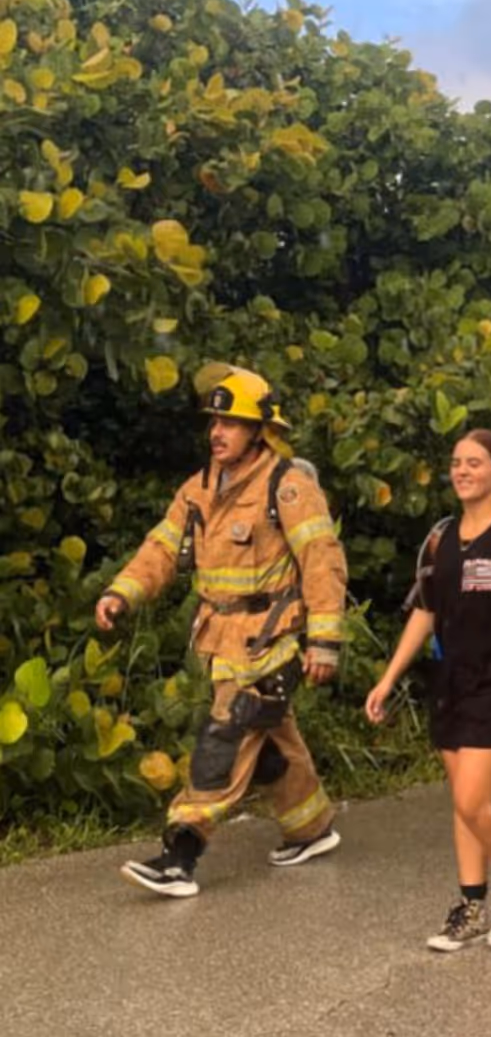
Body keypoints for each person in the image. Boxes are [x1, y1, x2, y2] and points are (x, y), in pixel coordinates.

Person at [100, 365, 347, 899]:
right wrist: (123, 592)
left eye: (230, 423)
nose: (217, 432)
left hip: (271, 641)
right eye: (214, 422)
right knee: (271, 744)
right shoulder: (199, 489)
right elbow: (161, 547)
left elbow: (322, 561)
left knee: (226, 736)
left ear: (259, 430)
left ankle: (180, 852)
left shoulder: (288, 486)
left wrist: (324, 641)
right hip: (222, 641)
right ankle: (310, 828)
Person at [367, 429, 491, 951]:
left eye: (474, 462)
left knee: (474, 800)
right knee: (464, 802)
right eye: (456, 462)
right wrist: (388, 677)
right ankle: (472, 904)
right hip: (449, 683)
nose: (462, 471)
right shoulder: (440, 537)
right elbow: (424, 612)